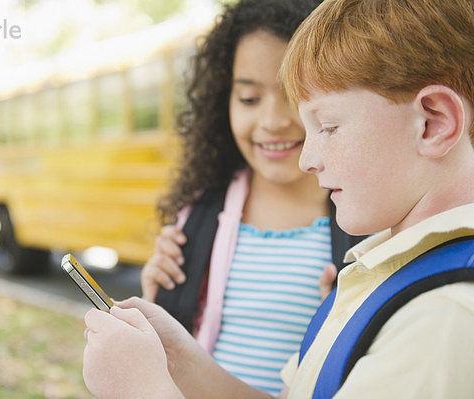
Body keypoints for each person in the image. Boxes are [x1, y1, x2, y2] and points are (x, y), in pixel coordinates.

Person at [82, 0, 474, 398]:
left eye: (329, 126)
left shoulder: (446, 316)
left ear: (432, 123)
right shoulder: (382, 263)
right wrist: (179, 359)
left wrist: (141, 389)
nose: (307, 160)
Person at [141, 0, 364, 395]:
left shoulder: (366, 217)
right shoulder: (199, 212)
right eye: (248, 98)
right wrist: (159, 297)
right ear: (220, 101)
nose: (273, 121)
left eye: (296, 95)